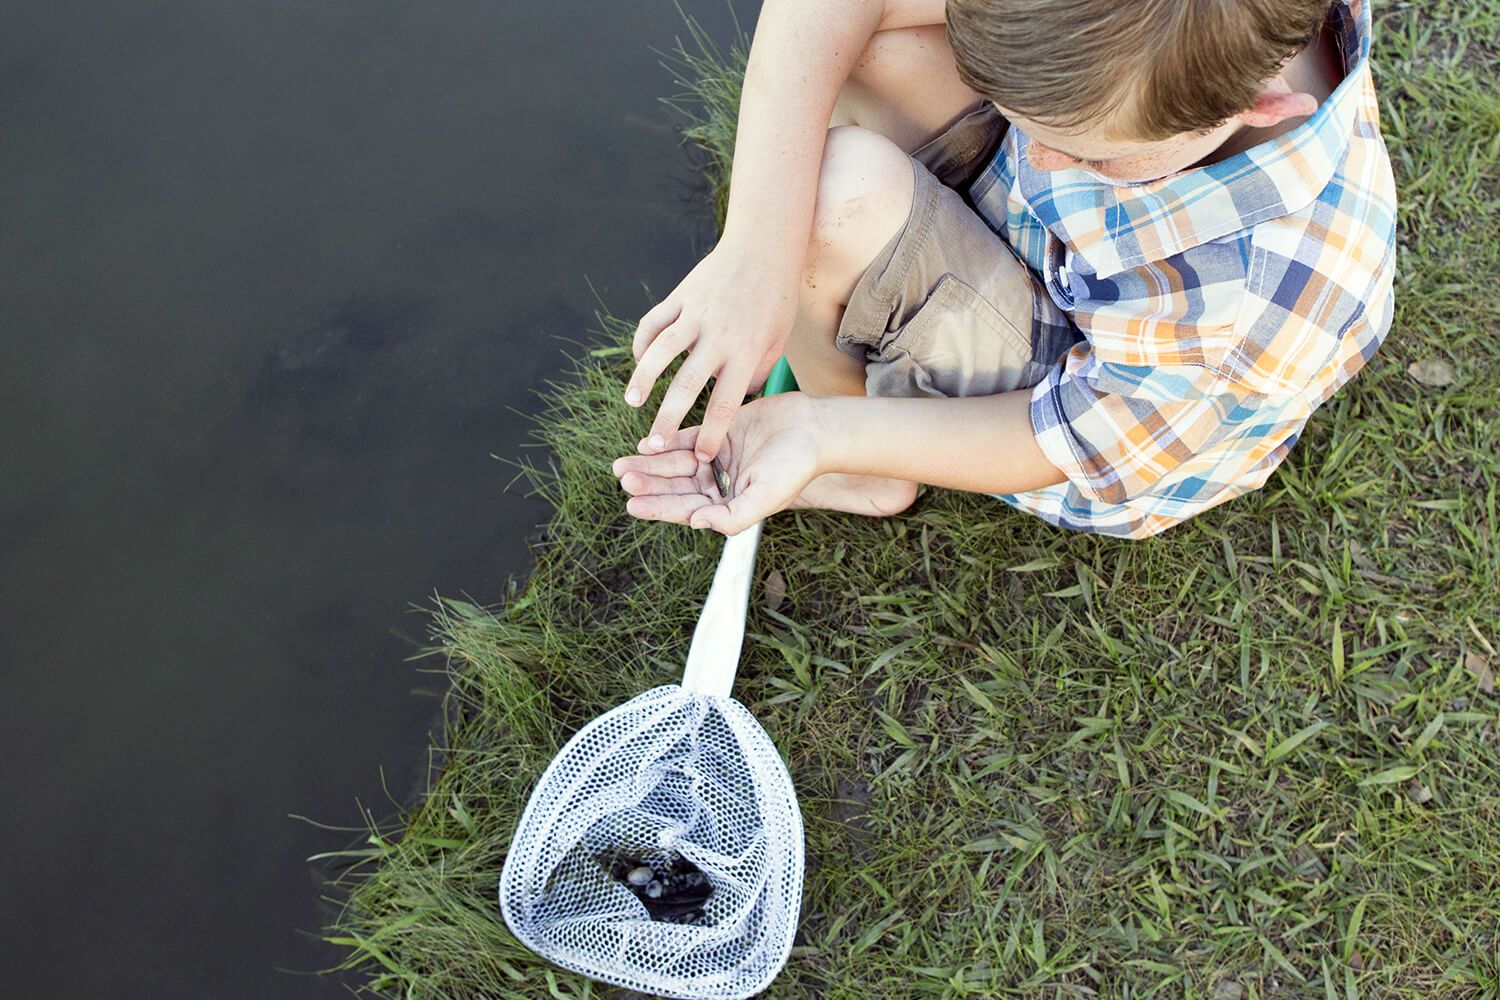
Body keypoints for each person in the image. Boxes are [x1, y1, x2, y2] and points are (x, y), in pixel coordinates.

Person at [610, 0, 1397, 538]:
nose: (1043, 162)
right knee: (879, 43)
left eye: (1091, 155)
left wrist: (821, 433)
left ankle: (862, 456)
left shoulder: (1247, 300)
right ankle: (854, 291)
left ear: (1262, 107)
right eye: (1017, 115)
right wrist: (756, 251)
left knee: (826, 197)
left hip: (1097, 404)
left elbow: (1067, 437)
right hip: (1064, 254)